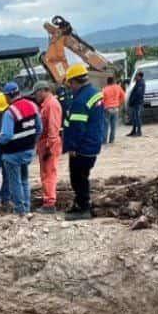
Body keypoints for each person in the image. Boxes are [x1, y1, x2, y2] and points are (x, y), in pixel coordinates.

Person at [62, 63, 104, 221]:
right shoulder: (94, 93)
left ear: (74, 81)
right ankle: (80, 203)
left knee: (78, 178)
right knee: (82, 176)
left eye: (70, 83)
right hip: (93, 142)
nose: (70, 87)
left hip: (82, 147)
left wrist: (72, 146)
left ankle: (83, 208)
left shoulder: (80, 101)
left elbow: (77, 127)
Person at [0, 81, 42, 216]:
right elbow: (39, 129)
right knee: (24, 180)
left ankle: (19, 210)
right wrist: (32, 144)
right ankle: (26, 208)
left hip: (12, 153)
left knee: (15, 182)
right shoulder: (33, 106)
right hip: (28, 151)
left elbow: (6, 136)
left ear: (7, 96)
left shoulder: (10, 112)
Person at [32, 80, 62, 214]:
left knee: (49, 173)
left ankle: (50, 203)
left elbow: (53, 128)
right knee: (45, 174)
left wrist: (49, 148)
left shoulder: (52, 105)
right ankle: (47, 199)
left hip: (49, 145)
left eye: (36, 93)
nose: (35, 97)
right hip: (44, 144)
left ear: (43, 90)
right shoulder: (46, 104)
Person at [102, 76, 125, 145]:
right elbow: (123, 96)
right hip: (116, 108)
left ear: (107, 82)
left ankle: (104, 141)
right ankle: (112, 140)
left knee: (105, 126)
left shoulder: (105, 89)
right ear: (113, 81)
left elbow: (102, 100)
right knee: (113, 126)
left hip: (107, 109)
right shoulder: (118, 87)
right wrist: (119, 104)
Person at [127, 71, 145, 137]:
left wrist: (132, 101)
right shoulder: (138, 82)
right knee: (134, 117)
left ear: (139, 76)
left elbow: (138, 94)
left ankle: (139, 132)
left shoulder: (141, 83)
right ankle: (134, 131)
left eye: (136, 76)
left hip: (137, 103)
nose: (135, 77)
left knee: (137, 117)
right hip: (135, 103)